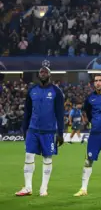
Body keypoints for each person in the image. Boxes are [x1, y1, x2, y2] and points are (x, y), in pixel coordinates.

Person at [16, 67, 65, 197]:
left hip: (49, 131)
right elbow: (27, 112)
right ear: (38, 75)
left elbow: (60, 114)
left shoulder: (56, 91)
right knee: (28, 156)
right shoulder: (32, 90)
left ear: (50, 75)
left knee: (47, 158)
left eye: (45, 72)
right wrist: (24, 129)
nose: (43, 74)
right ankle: (27, 187)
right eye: (41, 72)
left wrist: (60, 133)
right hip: (33, 129)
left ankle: (43, 188)